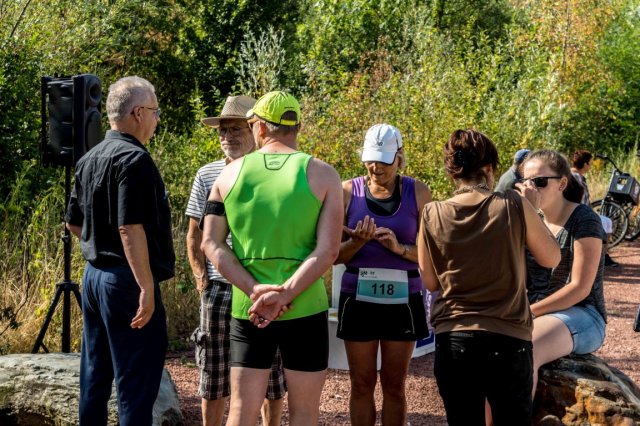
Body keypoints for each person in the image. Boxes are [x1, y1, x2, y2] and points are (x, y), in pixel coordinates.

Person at [200, 91, 343, 426]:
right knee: (305, 412)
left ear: (259, 127)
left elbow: (210, 243)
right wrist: (286, 293)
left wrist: (256, 290)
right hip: (305, 305)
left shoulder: (228, 175)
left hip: (248, 308)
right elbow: (329, 251)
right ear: (296, 127)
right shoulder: (324, 175)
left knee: (241, 411)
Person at [417, 130, 560, 425]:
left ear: (452, 172)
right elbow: (551, 257)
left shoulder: (432, 213)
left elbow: (430, 282)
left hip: (454, 336)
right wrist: (535, 210)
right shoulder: (513, 204)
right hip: (508, 337)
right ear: (490, 169)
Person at [65, 76, 174, 425]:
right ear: (138, 113)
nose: (157, 121)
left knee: (95, 379)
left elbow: (74, 223)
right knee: (135, 384)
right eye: (156, 112)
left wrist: (100, 244)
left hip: (95, 277)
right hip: (126, 281)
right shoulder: (134, 160)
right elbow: (131, 227)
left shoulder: (89, 157)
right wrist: (145, 286)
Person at [185, 95, 286, 426]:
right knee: (213, 374)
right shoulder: (207, 173)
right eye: (222, 130)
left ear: (255, 130)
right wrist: (202, 280)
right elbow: (194, 234)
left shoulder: (273, 170)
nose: (227, 137)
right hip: (219, 287)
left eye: (235, 129)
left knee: (270, 373)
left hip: (262, 285)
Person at [334, 123, 431, 426]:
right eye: (371, 159)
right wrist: (357, 242)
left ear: (400, 158)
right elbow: (335, 256)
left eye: (385, 160)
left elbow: (430, 255)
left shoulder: (419, 192)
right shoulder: (348, 191)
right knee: (361, 383)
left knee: (394, 385)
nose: (376, 167)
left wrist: (399, 248)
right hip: (358, 296)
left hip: (403, 299)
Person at [520, 149, 607, 400]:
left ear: (562, 183)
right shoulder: (530, 220)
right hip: (537, 310)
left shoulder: (584, 219)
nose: (531, 188)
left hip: (583, 313)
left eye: (539, 182)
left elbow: (580, 287)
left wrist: (528, 312)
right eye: (526, 181)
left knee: (524, 349)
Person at [571, 149, 619, 267]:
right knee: (605, 222)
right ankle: (601, 257)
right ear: (585, 164)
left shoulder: (578, 175)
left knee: (607, 222)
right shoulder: (574, 176)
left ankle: (603, 255)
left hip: (584, 211)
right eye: (590, 163)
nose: (591, 166)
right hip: (577, 213)